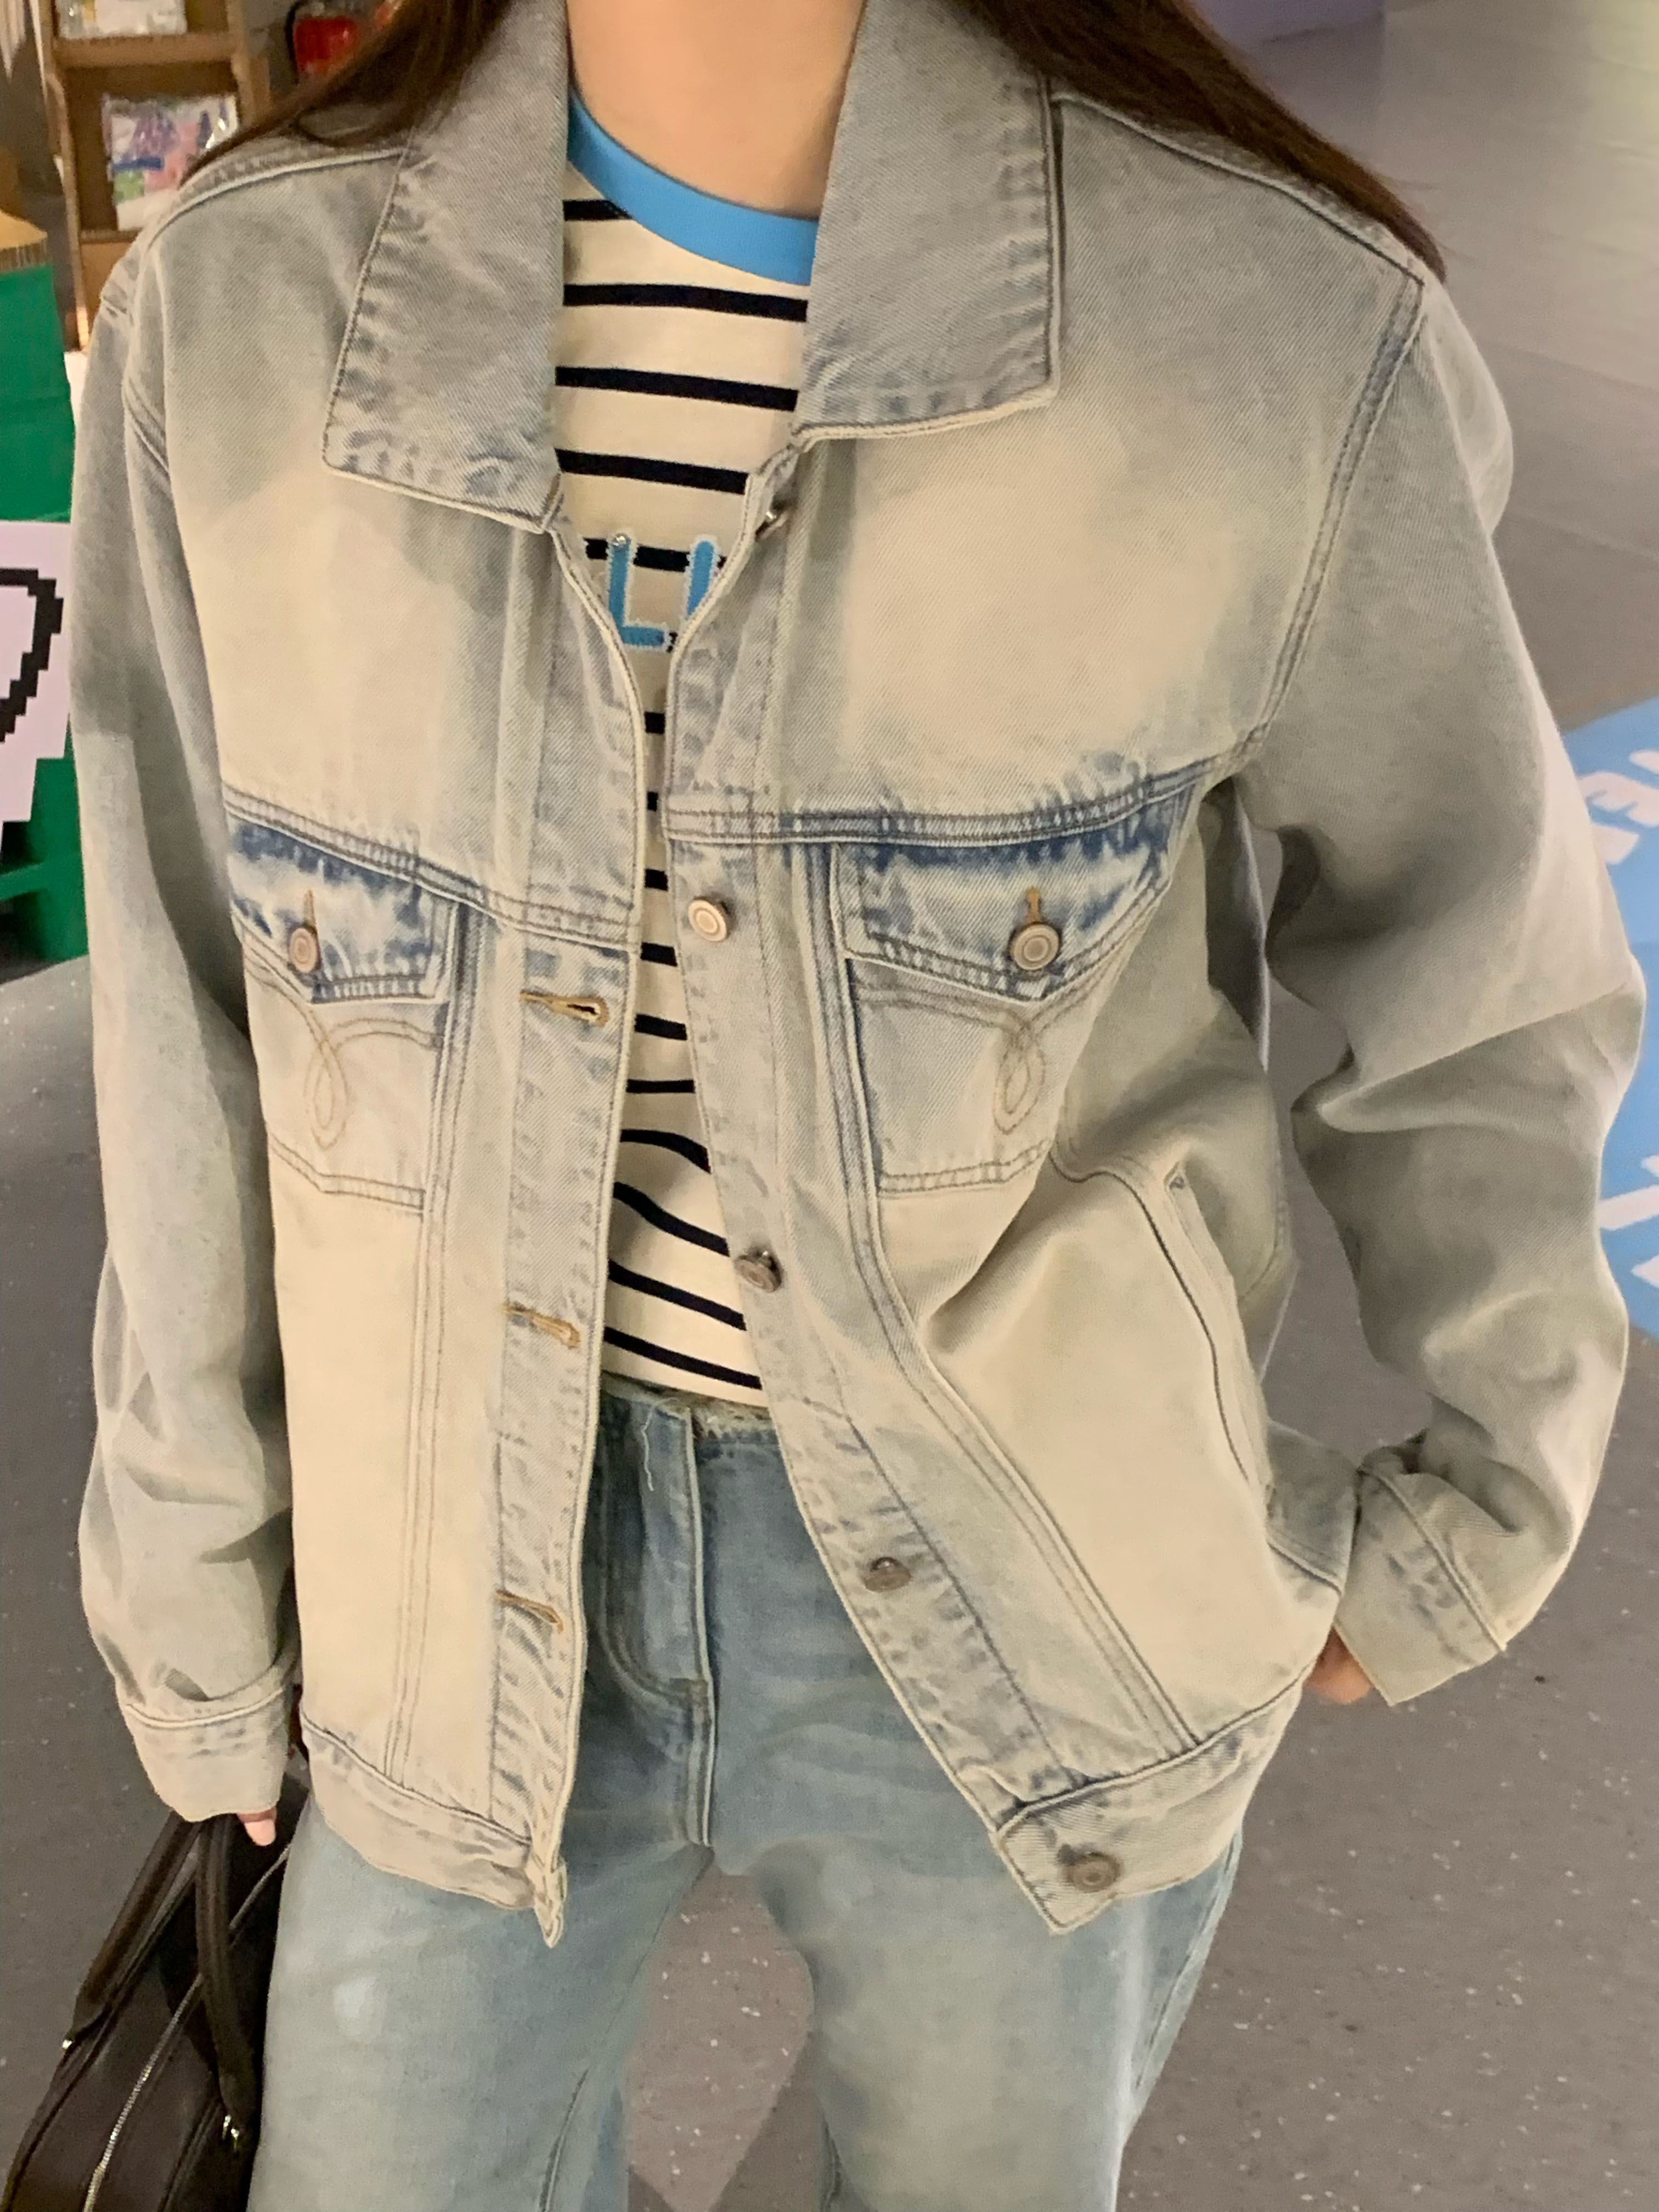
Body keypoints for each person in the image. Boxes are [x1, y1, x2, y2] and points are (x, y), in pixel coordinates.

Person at [64, 0, 1643, 2201]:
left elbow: (1475, 949)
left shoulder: (1265, 320)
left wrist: (1485, 1498)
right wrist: (194, 1575)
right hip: (430, 1553)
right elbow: (190, 998)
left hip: (1026, 1561)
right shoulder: (243, 303)